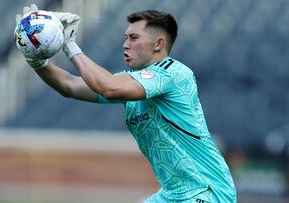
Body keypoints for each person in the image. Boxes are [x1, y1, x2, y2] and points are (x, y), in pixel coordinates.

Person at [16, 4, 237, 203]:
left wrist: (70, 45)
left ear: (158, 44)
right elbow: (70, 86)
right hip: (173, 194)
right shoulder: (128, 81)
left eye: (133, 38)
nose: (125, 44)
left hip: (207, 192)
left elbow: (108, 88)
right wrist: (35, 59)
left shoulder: (174, 73)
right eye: (126, 37)